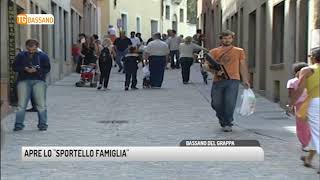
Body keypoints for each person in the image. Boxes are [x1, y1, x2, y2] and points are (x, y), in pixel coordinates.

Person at [203, 30, 250, 132]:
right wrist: (212, 70)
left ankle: (228, 122)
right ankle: (222, 118)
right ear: (221, 39)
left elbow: (242, 66)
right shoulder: (213, 51)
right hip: (218, 80)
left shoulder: (239, 51)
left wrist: (245, 79)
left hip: (233, 79)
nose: (227, 40)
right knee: (216, 103)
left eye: (229, 38)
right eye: (225, 38)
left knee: (230, 102)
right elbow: (206, 66)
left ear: (232, 39)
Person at [12, 39, 51, 131]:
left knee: (41, 104)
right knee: (21, 104)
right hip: (23, 80)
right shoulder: (21, 55)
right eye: (29, 50)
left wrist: (37, 70)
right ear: (26, 47)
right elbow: (14, 67)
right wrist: (24, 69)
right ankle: (18, 125)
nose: (31, 52)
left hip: (39, 81)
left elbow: (47, 68)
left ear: (37, 47)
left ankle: (42, 124)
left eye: (33, 50)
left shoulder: (43, 56)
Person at [297, 47, 320, 174]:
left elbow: (299, 89)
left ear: (313, 57)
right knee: (316, 132)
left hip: (316, 102)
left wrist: (292, 103)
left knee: (317, 132)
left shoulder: (308, 70)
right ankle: (308, 159)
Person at [286, 63, 310, 151]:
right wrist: (291, 105)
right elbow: (291, 95)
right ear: (296, 72)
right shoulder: (292, 82)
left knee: (308, 124)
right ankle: (305, 143)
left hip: (310, 103)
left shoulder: (309, 80)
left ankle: (308, 142)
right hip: (300, 105)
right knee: (302, 125)